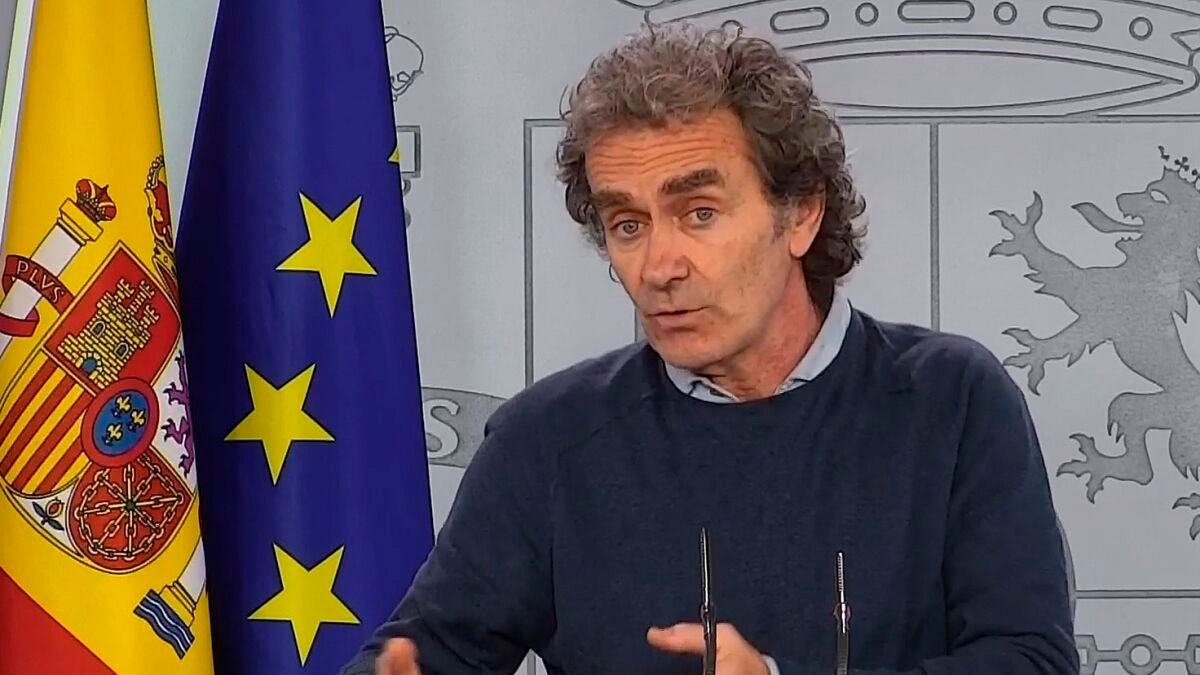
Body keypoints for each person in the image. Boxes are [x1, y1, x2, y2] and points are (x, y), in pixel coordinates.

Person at [341, 20, 1078, 675]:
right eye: (628, 224)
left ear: (801, 213)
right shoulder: (548, 440)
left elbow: (1029, 660)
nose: (658, 266)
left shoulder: (950, 401)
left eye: (698, 212)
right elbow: (423, 653)